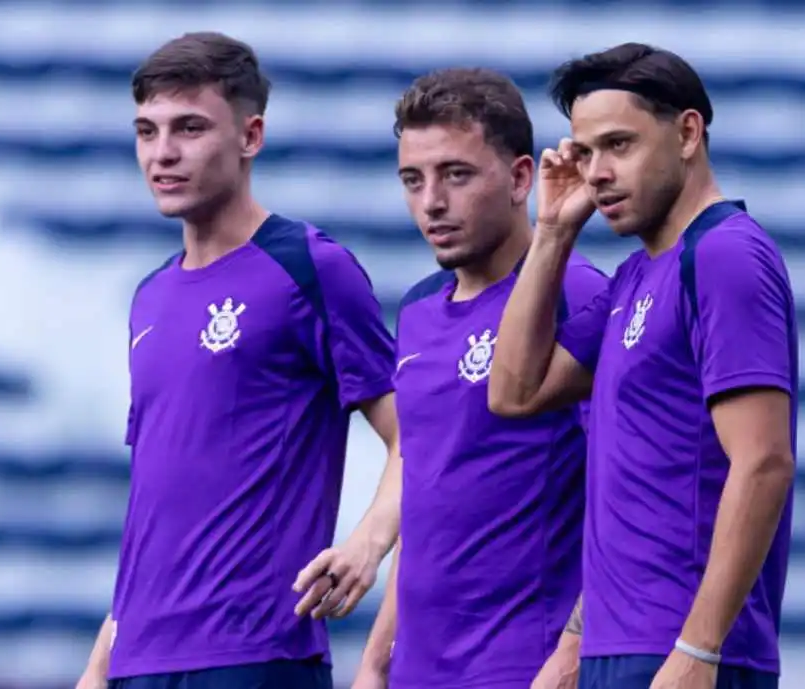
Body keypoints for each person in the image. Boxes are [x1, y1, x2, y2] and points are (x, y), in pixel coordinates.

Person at [74, 32, 402, 689]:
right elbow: (159, 507)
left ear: (250, 136)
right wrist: (98, 665)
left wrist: (367, 542)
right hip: (139, 658)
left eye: (189, 128)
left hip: (255, 655)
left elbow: (418, 434)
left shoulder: (310, 267)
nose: (162, 152)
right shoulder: (151, 297)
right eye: (147, 130)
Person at [489, 43, 798, 689]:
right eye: (584, 152)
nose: (597, 172)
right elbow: (514, 391)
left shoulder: (723, 256)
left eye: (619, 145)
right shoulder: (635, 276)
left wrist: (700, 648)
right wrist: (550, 233)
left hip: (682, 650)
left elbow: (764, 460)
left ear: (687, 133)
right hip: (615, 645)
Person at [341, 68, 607, 689]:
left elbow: (622, 500)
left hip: (524, 665)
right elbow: (430, 495)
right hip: (418, 670)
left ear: (520, 179)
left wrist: (573, 651)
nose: (431, 201)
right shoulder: (417, 309)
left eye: (455, 175)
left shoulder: (578, 297)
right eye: (414, 180)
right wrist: (377, 662)